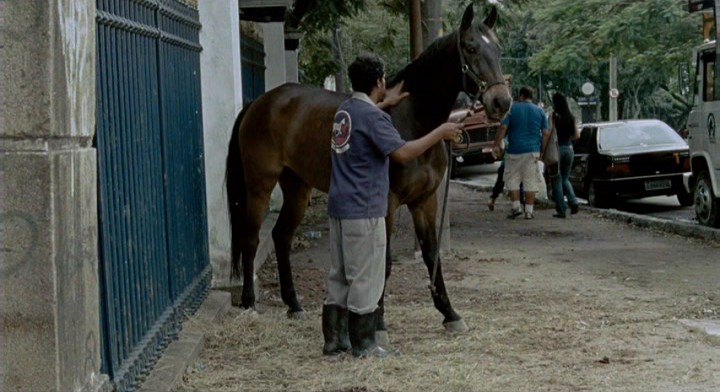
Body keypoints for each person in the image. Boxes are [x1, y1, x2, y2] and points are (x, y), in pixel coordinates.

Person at [324, 53, 463, 358]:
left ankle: (334, 340)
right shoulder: (374, 118)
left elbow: (366, 117)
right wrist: (440, 132)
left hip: (339, 206)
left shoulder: (345, 111)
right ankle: (365, 343)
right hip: (365, 208)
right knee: (366, 276)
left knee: (339, 274)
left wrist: (385, 103)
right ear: (380, 82)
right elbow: (402, 153)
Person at [492, 87, 550, 220]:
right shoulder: (540, 111)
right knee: (530, 180)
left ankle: (516, 207)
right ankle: (529, 211)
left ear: (521, 96)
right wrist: (542, 150)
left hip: (514, 150)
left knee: (512, 179)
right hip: (532, 151)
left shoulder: (512, 109)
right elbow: (546, 133)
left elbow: (503, 127)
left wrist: (496, 144)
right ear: (531, 96)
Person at [548, 92, 580, 218]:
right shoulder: (571, 117)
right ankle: (574, 202)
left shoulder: (553, 116)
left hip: (557, 149)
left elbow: (549, 132)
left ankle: (561, 209)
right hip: (569, 149)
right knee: (565, 178)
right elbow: (577, 135)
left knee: (556, 179)